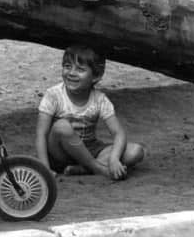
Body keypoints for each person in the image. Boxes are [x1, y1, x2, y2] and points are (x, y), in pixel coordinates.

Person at [36, 45, 146, 179]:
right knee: (62, 126)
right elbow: (41, 135)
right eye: (67, 66)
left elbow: (119, 133)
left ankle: (84, 168)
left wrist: (114, 159)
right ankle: (97, 168)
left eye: (80, 69)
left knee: (135, 151)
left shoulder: (99, 99)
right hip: (60, 154)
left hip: (90, 149)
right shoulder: (53, 95)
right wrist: (45, 168)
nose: (71, 73)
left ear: (96, 76)